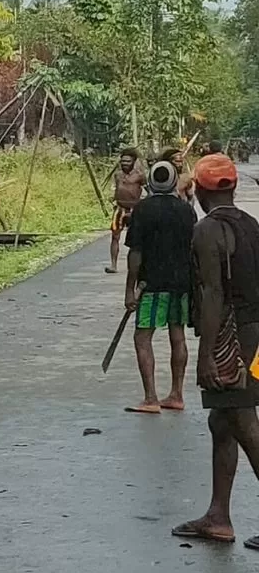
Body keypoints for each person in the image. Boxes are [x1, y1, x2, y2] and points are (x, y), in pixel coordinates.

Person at [170, 155, 259, 545]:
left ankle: (219, 515)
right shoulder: (251, 226)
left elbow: (212, 293)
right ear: (232, 188)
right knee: (222, 421)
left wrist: (207, 353)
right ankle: (218, 515)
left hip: (231, 337)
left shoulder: (208, 230)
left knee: (242, 420)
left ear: (201, 191)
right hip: (255, 334)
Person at [122, 160, 196, 415]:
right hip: (181, 285)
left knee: (143, 337)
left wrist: (129, 290)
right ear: (174, 181)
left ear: (151, 182)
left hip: (150, 285)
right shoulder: (187, 211)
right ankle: (176, 394)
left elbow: (136, 253)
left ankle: (150, 397)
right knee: (178, 336)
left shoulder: (143, 210)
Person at [108, 149, 146, 274]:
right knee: (115, 236)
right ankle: (113, 265)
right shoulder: (117, 175)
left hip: (135, 209)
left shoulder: (140, 175)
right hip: (120, 208)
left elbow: (148, 189)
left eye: (128, 161)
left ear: (133, 162)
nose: (125, 163)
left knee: (137, 238)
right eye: (123, 161)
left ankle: (138, 265)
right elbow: (115, 189)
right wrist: (112, 198)